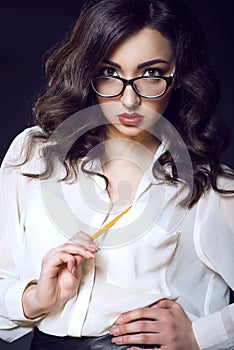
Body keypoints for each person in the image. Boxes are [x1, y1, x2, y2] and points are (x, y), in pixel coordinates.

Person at [0, 0, 233, 349]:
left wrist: (201, 336)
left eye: (151, 74)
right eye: (109, 73)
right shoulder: (35, 153)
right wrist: (36, 298)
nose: (128, 99)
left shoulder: (212, 189)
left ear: (180, 78)